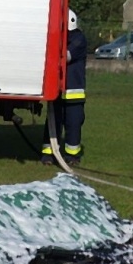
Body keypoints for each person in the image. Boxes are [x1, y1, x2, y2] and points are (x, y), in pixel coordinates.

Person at [43, 10, 87, 166]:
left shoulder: (78, 39)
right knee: (53, 123)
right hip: (57, 91)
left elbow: (65, 57)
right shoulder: (60, 37)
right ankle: (48, 154)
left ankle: (72, 156)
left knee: (73, 124)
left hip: (73, 92)